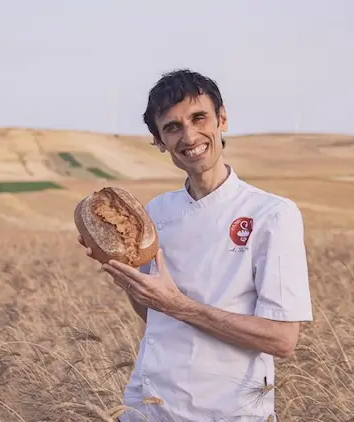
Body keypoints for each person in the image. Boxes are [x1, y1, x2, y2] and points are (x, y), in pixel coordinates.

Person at [77, 69, 313, 421]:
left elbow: (281, 339)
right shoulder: (158, 211)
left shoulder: (272, 214)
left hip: (226, 412)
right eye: (172, 127)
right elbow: (156, 315)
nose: (189, 135)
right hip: (147, 407)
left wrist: (179, 306)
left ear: (222, 120)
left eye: (198, 118)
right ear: (159, 141)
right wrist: (126, 278)